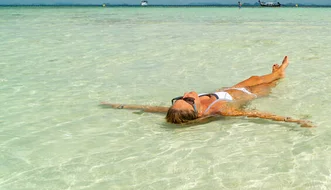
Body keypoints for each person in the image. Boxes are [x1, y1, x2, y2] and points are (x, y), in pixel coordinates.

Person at [102, 56, 313, 127]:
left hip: (230, 89)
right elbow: (255, 114)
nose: (187, 94)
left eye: (180, 98)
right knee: (265, 84)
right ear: (197, 111)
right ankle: (279, 74)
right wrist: (293, 120)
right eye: (188, 99)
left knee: (255, 78)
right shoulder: (220, 110)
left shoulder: (181, 109)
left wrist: (118, 105)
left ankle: (277, 73)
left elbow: (149, 108)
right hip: (248, 95)